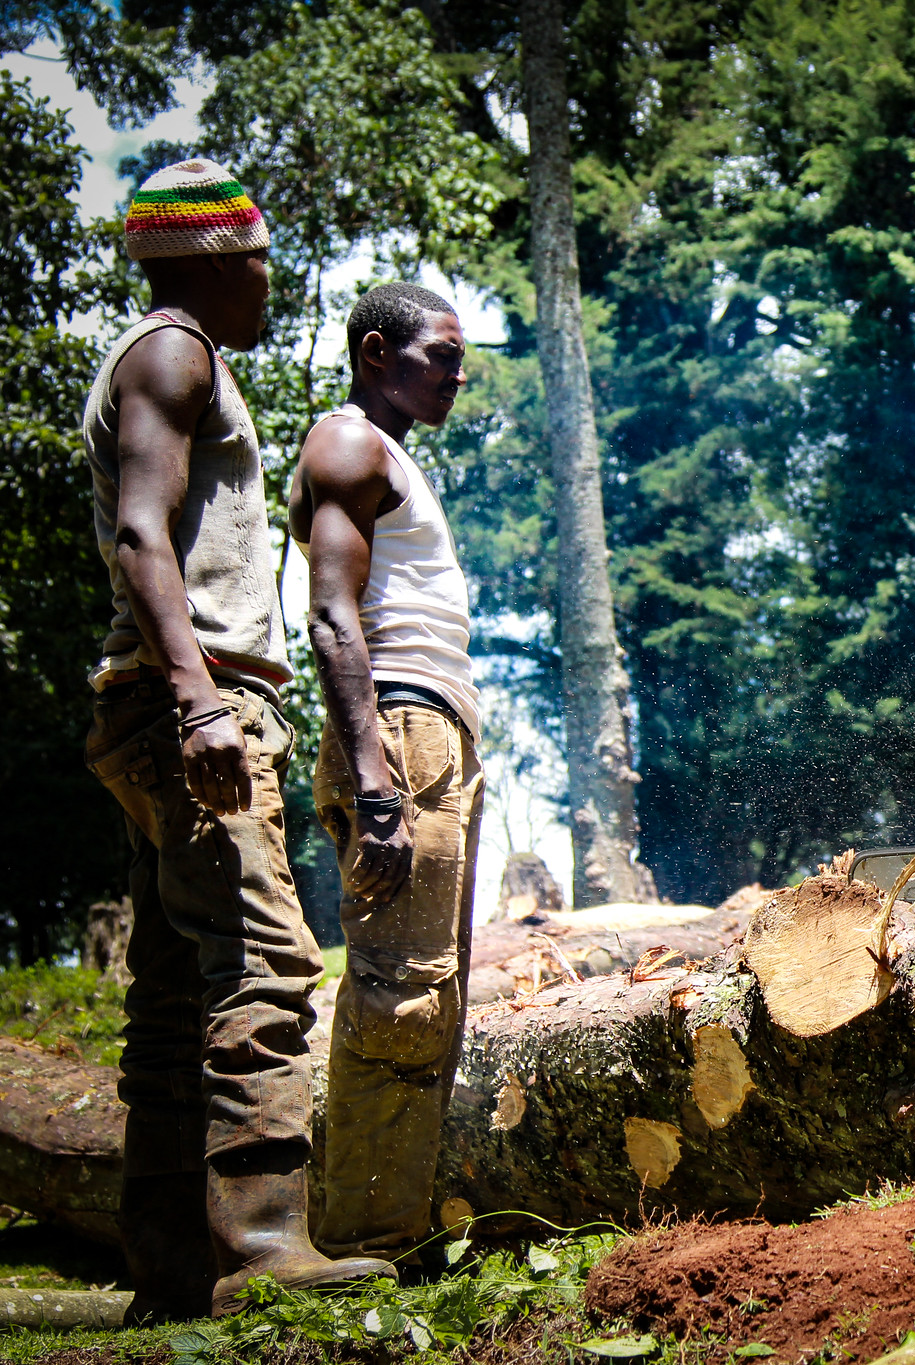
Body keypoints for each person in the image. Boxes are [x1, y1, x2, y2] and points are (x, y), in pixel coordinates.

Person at [81, 159, 396, 1321]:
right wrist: (202, 698)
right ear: (212, 258)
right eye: (259, 257)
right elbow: (139, 533)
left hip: (151, 704)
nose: (271, 278)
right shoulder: (173, 354)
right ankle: (265, 1249)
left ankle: (167, 1266)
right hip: (190, 703)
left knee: (174, 985)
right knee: (263, 964)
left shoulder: (164, 359)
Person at [287, 282, 484, 1265]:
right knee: (398, 991)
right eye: (439, 355)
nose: (457, 373)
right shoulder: (350, 444)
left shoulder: (387, 452)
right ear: (374, 352)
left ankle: (391, 1234)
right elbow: (331, 613)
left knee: (432, 993)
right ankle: (360, 1248)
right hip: (398, 734)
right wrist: (375, 786)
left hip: (427, 730)